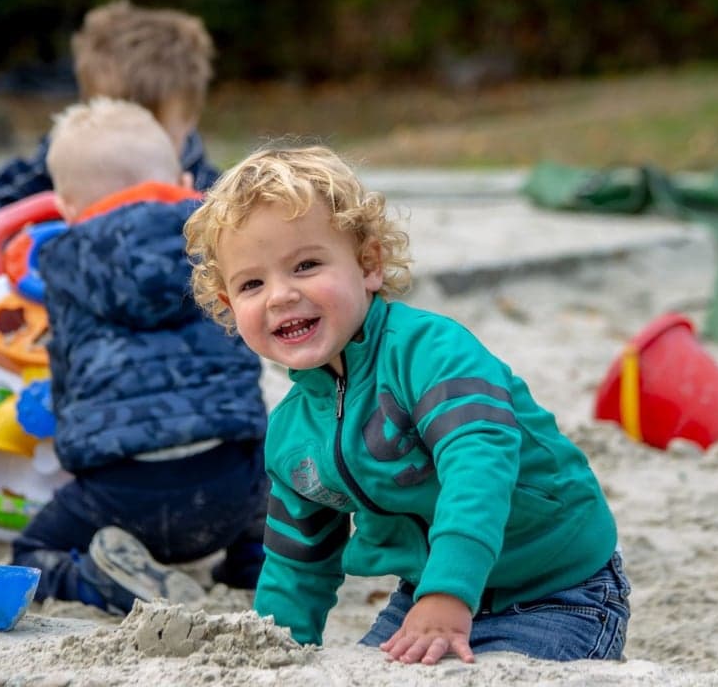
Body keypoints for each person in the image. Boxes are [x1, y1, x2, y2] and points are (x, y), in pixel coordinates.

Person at [183, 145, 631, 664]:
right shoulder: (292, 434)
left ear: (368, 264)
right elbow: (298, 564)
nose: (280, 295)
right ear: (228, 306)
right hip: (421, 594)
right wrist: (273, 653)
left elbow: (479, 466)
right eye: (252, 283)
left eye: (306, 265)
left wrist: (449, 592)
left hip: (555, 587)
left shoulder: (429, 352)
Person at [10, 97, 268, 614]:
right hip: (230, 490)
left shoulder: (59, 263)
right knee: (268, 472)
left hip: (120, 495)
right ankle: (253, 559)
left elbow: (68, 376)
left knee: (27, 555)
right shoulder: (221, 238)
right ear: (181, 174)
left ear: (62, 206)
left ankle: (91, 579)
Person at [0, 0, 219, 238]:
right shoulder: (53, 170)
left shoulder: (215, 194)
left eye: (155, 129)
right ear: (90, 109)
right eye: (116, 126)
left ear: (190, 119)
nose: (133, 145)